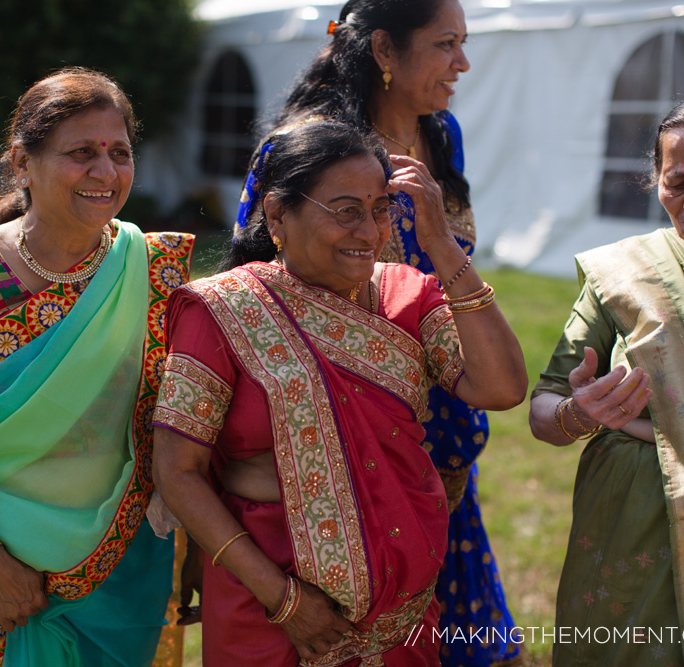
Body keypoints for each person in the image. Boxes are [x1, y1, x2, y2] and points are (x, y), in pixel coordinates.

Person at [152, 121, 526, 666]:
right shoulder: (223, 311)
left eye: (379, 208)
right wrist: (284, 602)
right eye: (346, 210)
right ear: (279, 215)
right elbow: (177, 471)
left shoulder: (408, 294)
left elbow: (503, 387)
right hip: (266, 607)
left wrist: (442, 247)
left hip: (401, 610)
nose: (370, 232)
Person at [230, 2, 523, 664]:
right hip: (347, 458)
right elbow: (253, 303)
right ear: (385, 51)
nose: (463, 63)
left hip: (446, 433)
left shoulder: (440, 133)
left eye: (464, 43)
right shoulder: (306, 153)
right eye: (446, 44)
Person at [0, 67, 194, 667]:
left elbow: (177, 433)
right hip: (1, 572)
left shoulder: (154, 270)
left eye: (120, 153)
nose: (105, 173)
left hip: (128, 564)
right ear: (22, 163)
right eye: (81, 153)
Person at [528, 91, 684, 666]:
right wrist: (578, 414)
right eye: (676, 183)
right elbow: (545, 408)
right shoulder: (625, 273)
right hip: (633, 526)